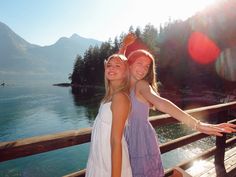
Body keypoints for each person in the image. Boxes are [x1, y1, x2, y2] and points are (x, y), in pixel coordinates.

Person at [119, 34, 236, 177]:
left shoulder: (141, 85)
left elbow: (163, 104)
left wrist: (197, 124)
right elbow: (119, 63)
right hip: (124, 136)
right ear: (129, 64)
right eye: (139, 63)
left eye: (147, 66)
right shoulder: (122, 84)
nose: (143, 69)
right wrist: (124, 47)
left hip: (140, 139)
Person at [85, 54, 132, 177]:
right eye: (109, 65)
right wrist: (123, 47)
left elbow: (116, 141)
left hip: (110, 162)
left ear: (126, 72)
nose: (111, 68)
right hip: (100, 158)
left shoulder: (120, 97)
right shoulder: (110, 95)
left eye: (117, 66)